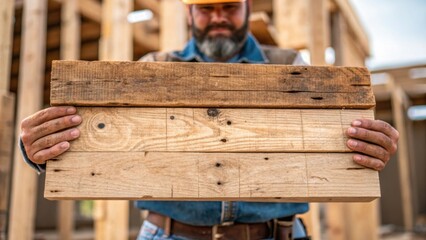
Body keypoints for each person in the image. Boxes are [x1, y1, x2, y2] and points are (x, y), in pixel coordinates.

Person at [20, 0, 399, 239]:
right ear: (189, 12)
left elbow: (334, 146)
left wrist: (370, 146)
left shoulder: (291, 68)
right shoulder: (152, 69)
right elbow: (94, 148)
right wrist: (39, 151)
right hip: (171, 234)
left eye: (230, 7)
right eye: (206, 8)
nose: (218, 17)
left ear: (249, 7)